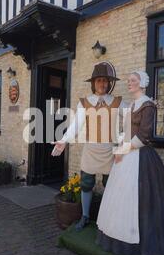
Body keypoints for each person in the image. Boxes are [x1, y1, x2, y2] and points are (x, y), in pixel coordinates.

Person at [96, 70, 164, 255]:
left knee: (140, 201)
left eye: (133, 80)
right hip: (125, 157)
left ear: (142, 83)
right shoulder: (132, 104)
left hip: (140, 158)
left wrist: (122, 150)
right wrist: (119, 147)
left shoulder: (147, 105)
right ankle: (118, 239)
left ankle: (141, 245)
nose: (130, 83)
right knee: (120, 198)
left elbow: (144, 136)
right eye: (128, 80)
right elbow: (126, 131)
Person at [52, 62, 128, 231]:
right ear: (93, 82)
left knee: (111, 184)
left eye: (105, 80)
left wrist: (122, 138)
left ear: (109, 83)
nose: (102, 84)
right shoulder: (85, 103)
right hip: (91, 149)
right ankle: (85, 217)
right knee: (86, 183)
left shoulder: (117, 102)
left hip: (110, 150)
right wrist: (64, 140)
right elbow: (76, 125)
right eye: (99, 80)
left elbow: (132, 119)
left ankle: (110, 218)